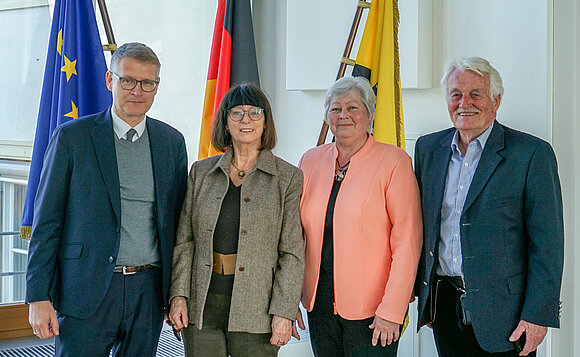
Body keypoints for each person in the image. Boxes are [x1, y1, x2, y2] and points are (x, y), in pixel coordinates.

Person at [25, 42, 188, 356]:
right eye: (127, 80)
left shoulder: (172, 143)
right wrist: (38, 296)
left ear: (157, 86)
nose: (137, 91)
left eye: (147, 83)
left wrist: (177, 294)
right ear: (110, 80)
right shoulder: (72, 137)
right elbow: (47, 221)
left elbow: (179, 227)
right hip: (86, 288)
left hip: (149, 291)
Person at [414, 56, 564, 357]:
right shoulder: (428, 149)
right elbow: (421, 226)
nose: (464, 102)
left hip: (506, 313)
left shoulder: (532, 154)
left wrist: (537, 315)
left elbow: (547, 243)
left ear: (496, 102)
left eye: (475, 94)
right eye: (456, 94)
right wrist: (424, 293)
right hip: (443, 304)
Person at [168, 83, 304, 357]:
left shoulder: (287, 178)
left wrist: (284, 312)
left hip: (258, 309)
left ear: (266, 122)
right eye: (237, 113)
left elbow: (292, 252)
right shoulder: (201, 172)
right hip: (202, 305)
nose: (246, 120)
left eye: (255, 112)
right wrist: (178, 296)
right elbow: (185, 241)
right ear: (225, 122)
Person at [298, 76, 423, 356]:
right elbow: (295, 235)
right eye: (336, 108)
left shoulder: (394, 162)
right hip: (318, 303)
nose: (344, 116)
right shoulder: (310, 160)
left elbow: (407, 243)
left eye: (353, 108)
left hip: (373, 310)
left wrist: (393, 309)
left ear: (369, 115)